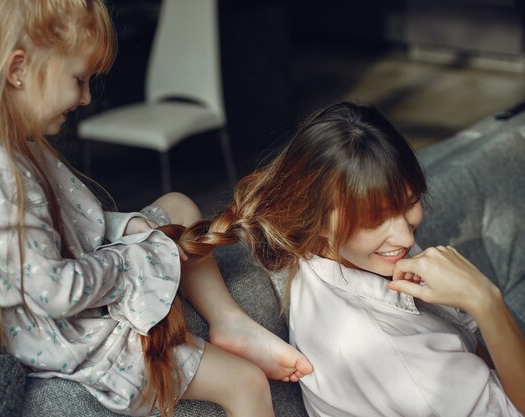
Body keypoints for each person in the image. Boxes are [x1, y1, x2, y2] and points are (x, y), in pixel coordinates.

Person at [0, 1, 313, 416]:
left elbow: (71, 229)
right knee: (245, 383)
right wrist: (133, 259)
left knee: (177, 205)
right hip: (62, 332)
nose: (84, 97)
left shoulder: (15, 145)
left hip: (75, 290)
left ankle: (230, 323)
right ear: (17, 70)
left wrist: (127, 227)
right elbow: (54, 293)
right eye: (79, 79)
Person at [167, 101, 525, 416]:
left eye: (411, 202)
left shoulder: (352, 253)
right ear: (316, 219)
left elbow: (175, 207)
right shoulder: (388, 353)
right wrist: (486, 300)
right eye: (375, 220)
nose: (405, 236)